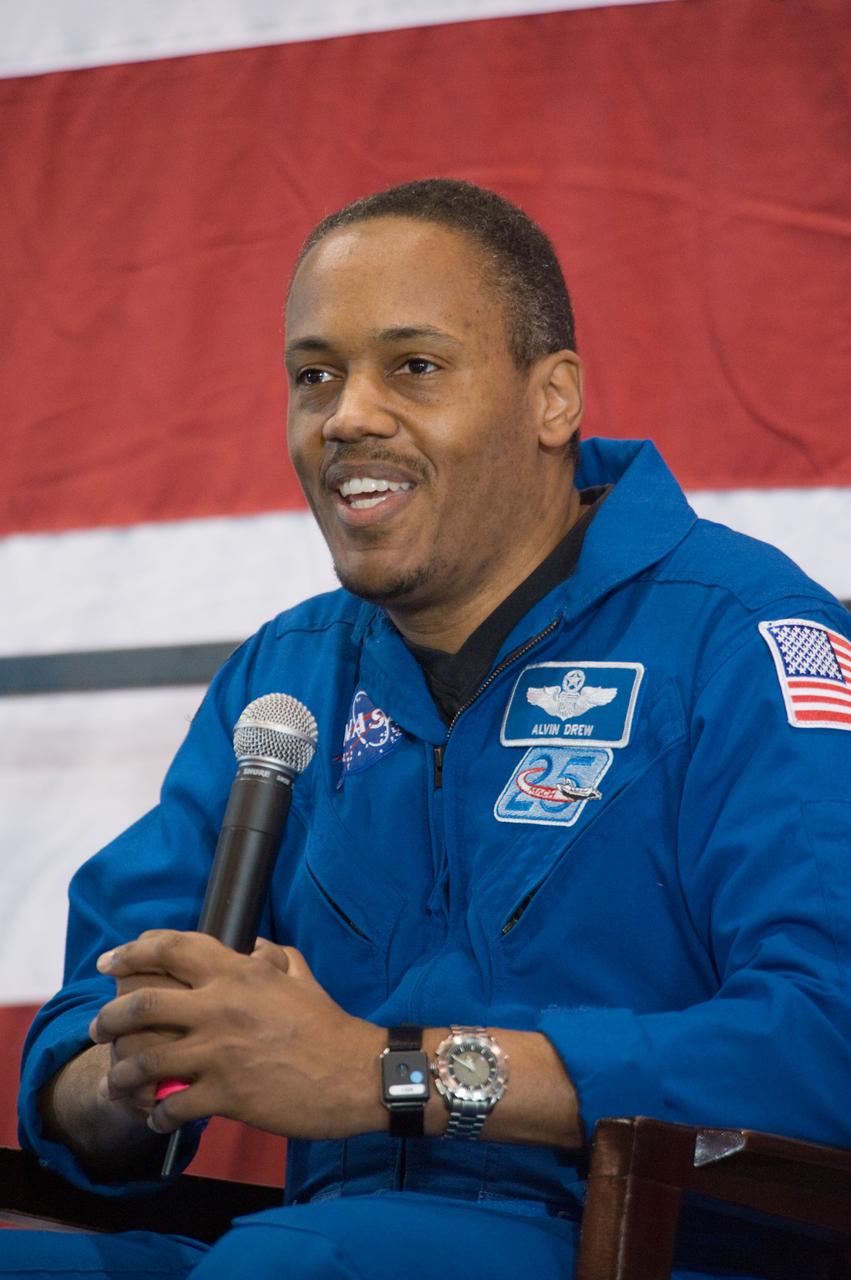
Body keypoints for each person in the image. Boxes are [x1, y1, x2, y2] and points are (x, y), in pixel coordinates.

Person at [9, 179, 851, 1279]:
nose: (346, 416)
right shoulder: (287, 674)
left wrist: (387, 1073)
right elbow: (86, 1037)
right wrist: (131, 1073)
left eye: (412, 365)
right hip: (314, 1243)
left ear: (552, 399)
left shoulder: (744, 638)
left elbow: (825, 1038)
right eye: (315, 375)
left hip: (644, 1249)